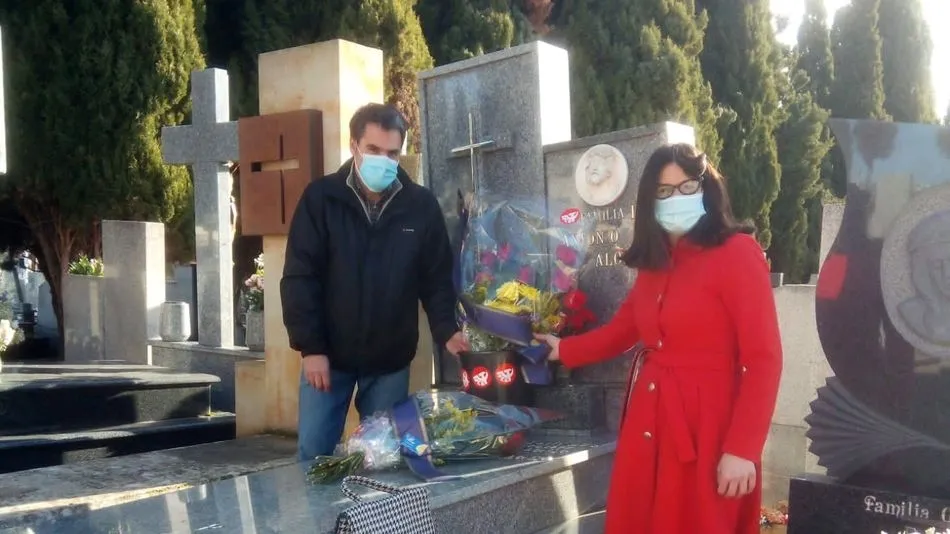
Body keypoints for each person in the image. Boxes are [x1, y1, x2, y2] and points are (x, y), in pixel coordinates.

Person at [536, 143, 782, 534]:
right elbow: (623, 330)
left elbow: (764, 359)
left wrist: (743, 448)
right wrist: (562, 349)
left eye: (687, 186)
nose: (676, 198)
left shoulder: (737, 253)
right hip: (650, 416)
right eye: (664, 192)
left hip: (709, 427)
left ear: (707, 187)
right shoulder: (656, 263)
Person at [281, 103, 469, 461]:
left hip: (388, 360)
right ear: (354, 146)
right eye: (374, 150)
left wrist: (447, 329)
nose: (384, 160)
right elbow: (300, 277)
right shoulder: (321, 200)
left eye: (392, 153)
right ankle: (318, 520)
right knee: (314, 456)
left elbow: (435, 277)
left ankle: (371, 518)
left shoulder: (420, 206)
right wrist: (311, 348)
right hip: (328, 359)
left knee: (382, 459)